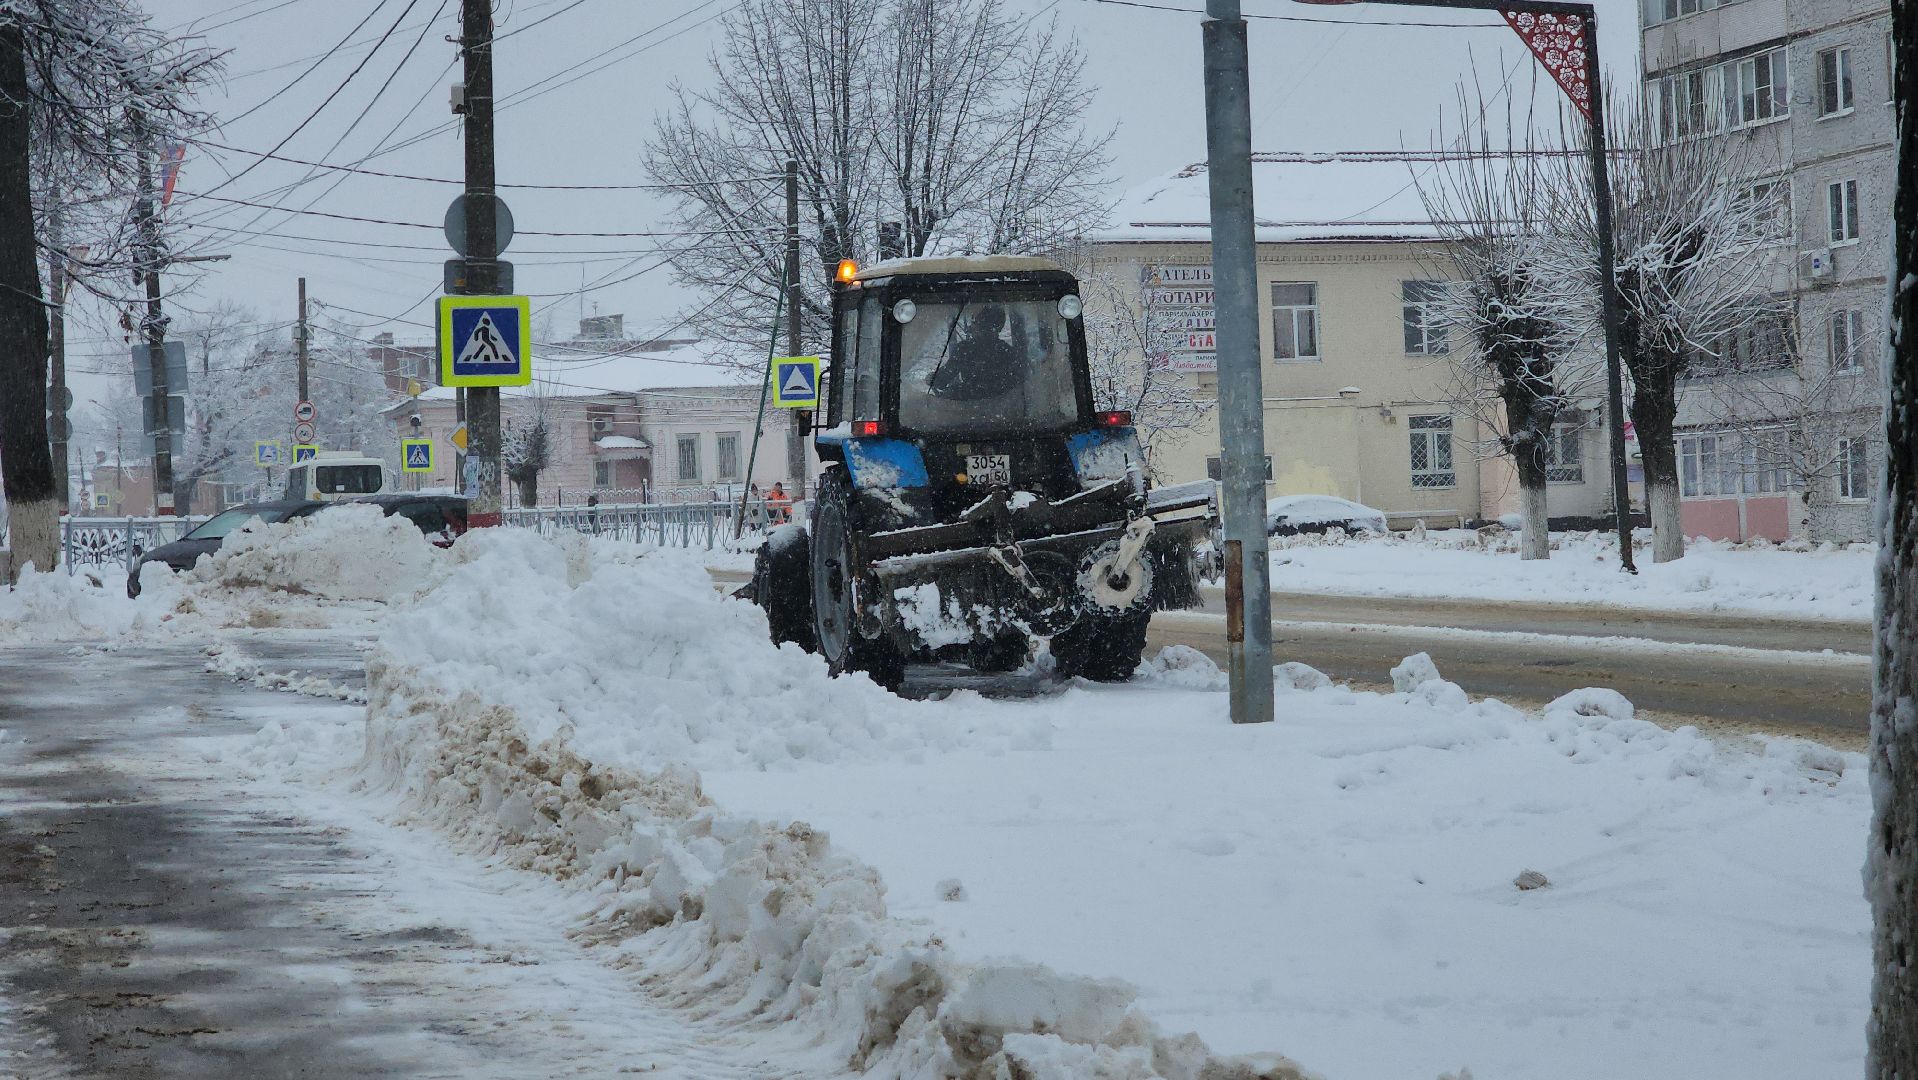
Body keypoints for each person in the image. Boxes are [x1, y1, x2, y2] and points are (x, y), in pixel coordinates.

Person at [928, 304, 1022, 401]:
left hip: (966, 408)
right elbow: (1015, 384)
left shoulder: (965, 349)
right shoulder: (1007, 351)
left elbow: (945, 376)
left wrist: (933, 379)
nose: (971, 326)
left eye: (974, 321)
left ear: (979, 326)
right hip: (1001, 410)